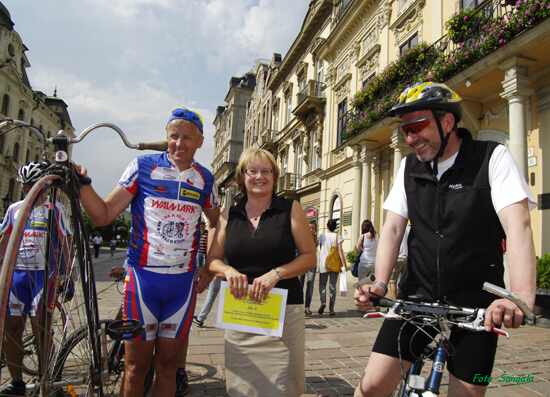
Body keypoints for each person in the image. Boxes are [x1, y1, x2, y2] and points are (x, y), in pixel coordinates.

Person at [353, 82, 537, 397]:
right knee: (370, 387)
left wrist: (519, 297)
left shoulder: (492, 158)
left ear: (447, 122)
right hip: (417, 298)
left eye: (417, 127)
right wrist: (380, 283)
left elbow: (518, 225)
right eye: (405, 130)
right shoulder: (408, 167)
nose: (410, 138)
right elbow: (394, 228)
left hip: (476, 306)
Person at [77, 107, 220, 397]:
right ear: (166, 137)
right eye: (173, 136)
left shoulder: (205, 178)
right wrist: (82, 184)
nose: (179, 144)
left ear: (200, 142)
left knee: (167, 367)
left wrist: (209, 266)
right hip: (143, 281)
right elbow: (104, 215)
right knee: (134, 369)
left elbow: (217, 223)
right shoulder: (142, 166)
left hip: (182, 285)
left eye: (187, 138)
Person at [206, 148, 316, 397]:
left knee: (282, 386)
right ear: (242, 176)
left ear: (274, 177)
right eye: (252, 170)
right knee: (243, 386)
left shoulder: (290, 208)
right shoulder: (229, 214)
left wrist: (277, 273)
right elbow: (212, 260)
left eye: (266, 171)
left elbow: (310, 257)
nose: (259, 176)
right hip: (241, 312)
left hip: (283, 313)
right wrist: (227, 270)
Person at [0, 162, 72, 396]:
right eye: (25, 186)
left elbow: (66, 244)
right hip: (16, 273)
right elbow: (4, 242)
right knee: (11, 329)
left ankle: (47, 378)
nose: (28, 190)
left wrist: (68, 276)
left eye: (33, 186)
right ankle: (16, 381)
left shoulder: (55, 209)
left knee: (40, 327)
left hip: (45, 273)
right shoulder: (14, 209)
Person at [317, 219, 346, 316]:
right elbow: (340, 251)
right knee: (332, 286)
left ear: (327, 226)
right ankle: (331, 309)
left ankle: (323, 301)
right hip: (334, 264)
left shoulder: (322, 236)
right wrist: (343, 263)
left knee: (322, 285)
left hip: (324, 263)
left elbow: (321, 248)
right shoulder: (338, 236)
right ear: (335, 226)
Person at [389, 223, 410, 299]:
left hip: (397, 257)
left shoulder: (395, 226)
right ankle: (403, 298)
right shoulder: (408, 228)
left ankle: (395, 300)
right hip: (406, 257)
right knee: (404, 281)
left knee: (392, 281)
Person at [303, 220, 319, 316]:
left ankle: (307, 306)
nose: (311, 230)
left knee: (310, 284)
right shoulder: (302, 237)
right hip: (301, 264)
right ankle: (299, 305)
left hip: (311, 265)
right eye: (309, 228)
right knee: (300, 286)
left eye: (313, 228)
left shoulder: (315, 240)